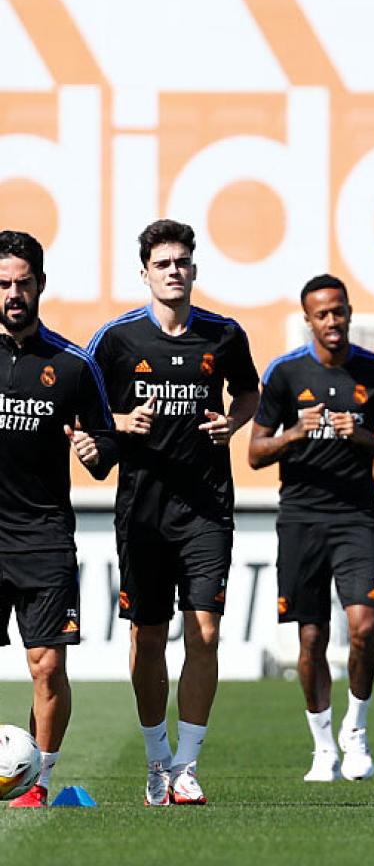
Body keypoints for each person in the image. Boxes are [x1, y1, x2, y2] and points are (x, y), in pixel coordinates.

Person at [89, 220, 259, 806]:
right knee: (147, 637)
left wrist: (232, 422)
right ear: (145, 272)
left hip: (206, 507)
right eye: (162, 263)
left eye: (182, 261)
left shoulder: (224, 335)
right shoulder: (116, 341)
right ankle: (156, 756)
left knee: (205, 631)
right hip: (142, 511)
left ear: (193, 269)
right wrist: (116, 424)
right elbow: (82, 409)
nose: (173, 271)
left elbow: (249, 393)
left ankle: (186, 765)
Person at [249, 274, 374, 783]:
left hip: (356, 517)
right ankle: (322, 748)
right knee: (312, 637)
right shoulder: (284, 374)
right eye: (322, 314)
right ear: (308, 320)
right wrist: (296, 432)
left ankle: (356, 732)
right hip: (300, 520)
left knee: (363, 628)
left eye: (339, 311)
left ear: (349, 312)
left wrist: (360, 436)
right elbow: (254, 452)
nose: (332, 322)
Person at [0, 230, 116, 808]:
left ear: (40, 285)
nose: (13, 293)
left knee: (46, 665)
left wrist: (97, 453)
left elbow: (106, 445)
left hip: (43, 537)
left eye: (23, 282)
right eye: (2, 284)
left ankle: (39, 782)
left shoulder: (74, 365)